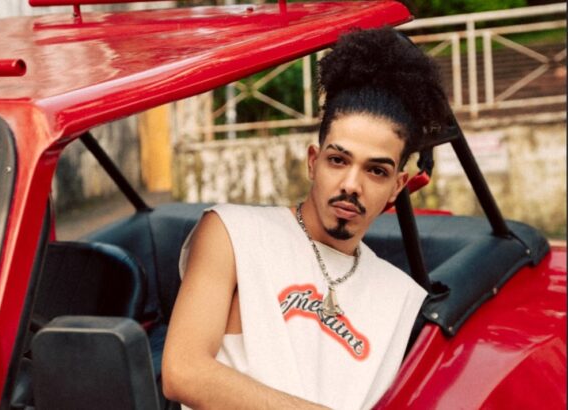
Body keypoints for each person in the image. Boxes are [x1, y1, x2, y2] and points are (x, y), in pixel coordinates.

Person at [162, 27, 449, 409]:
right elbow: (183, 371)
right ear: (314, 162)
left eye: (376, 171)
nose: (351, 185)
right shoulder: (233, 233)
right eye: (338, 160)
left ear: (397, 186)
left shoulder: (400, 296)